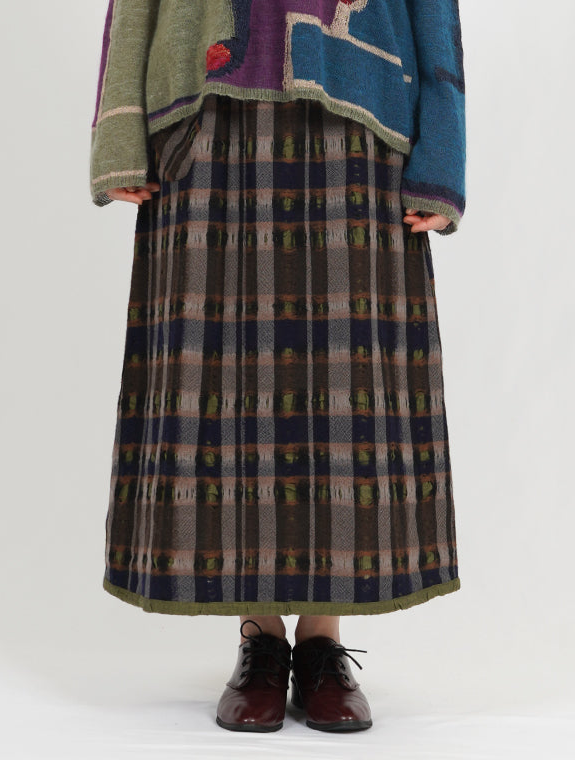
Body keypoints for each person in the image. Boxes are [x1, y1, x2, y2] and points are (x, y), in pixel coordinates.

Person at [89, 0, 466, 734]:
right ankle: (260, 638)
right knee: (221, 387)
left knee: (347, 393)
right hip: (206, 111)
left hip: (360, 113)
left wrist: (442, 156)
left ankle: (322, 641)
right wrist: (119, 130)